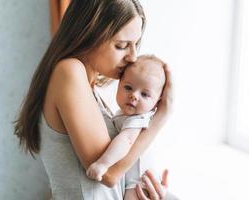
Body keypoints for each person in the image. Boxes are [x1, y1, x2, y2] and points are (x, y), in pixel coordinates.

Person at [14, 0, 174, 199]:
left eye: (135, 45)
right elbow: (107, 174)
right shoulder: (69, 71)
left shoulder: (92, 90)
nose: (133, 57)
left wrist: (144, 187)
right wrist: (160, 118)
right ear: (90, 34)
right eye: (122, 45)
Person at [86, 55, 166, 198]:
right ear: (119, 84)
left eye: (145, 94)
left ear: (157, 101)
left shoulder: (139, 119)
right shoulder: (125, 115)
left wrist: (103, 164)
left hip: (139, 183)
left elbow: (126, 140)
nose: (134, 96)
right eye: (128, 87)